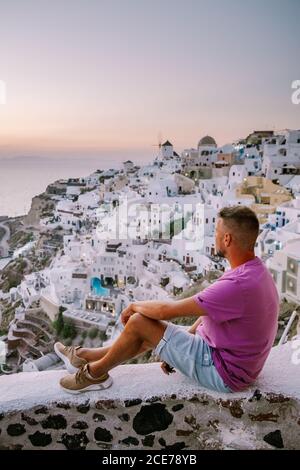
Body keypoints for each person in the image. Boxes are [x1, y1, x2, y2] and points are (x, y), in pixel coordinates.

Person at [55, 205, 279, 394]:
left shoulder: (237, 284)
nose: (214, 238)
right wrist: (177, 348)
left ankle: (95, 374)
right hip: (229, 359)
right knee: (148, 331)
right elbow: (206, 314)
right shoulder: (254, 272)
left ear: (227, 239)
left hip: (224, 372)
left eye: (217, 233)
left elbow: (165, 311)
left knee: (140, 323)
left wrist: (133, 306)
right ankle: (84, 357)